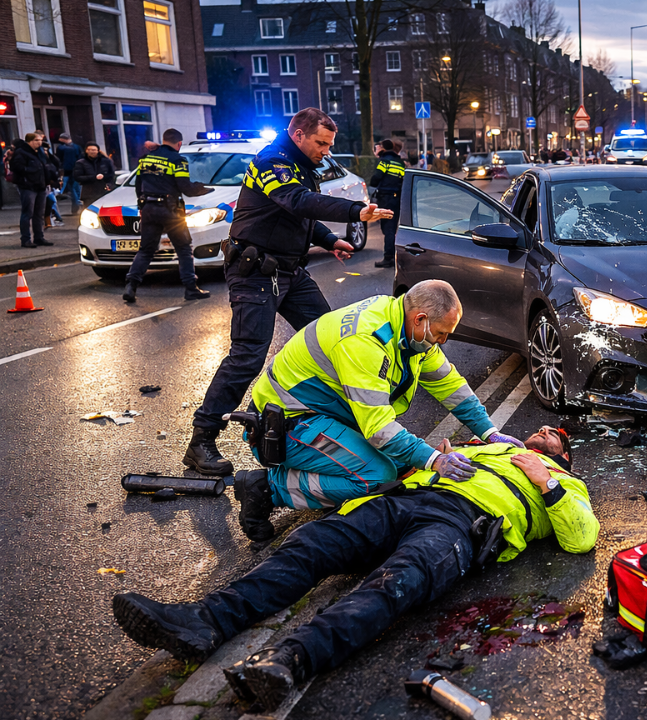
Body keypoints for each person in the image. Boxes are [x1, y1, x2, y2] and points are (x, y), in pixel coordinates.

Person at [113, 426, 596, 711]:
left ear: (564, 455)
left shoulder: (565, 482)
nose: (543, 433)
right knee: (312, 543)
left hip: (461, 526)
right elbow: (413, 467)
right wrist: (436, 460)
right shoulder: (484, 448)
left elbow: (580, 538)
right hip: (407, 502)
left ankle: (289, 659)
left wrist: (546, 484)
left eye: (554, 435)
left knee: (395, 584)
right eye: (541, 429)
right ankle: (206, 621)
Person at [184, 107, 394, 477]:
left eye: (330, 144)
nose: (327, 151)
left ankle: (344, 419)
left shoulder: (300, 165)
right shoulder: (272, 161)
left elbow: (300, 216)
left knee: (331, 337)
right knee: (247, 355)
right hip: (255, 271)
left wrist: (330, 240)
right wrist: (355, 212)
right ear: (298, 134)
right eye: (321, 143)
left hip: (288, 271)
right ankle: (201, 441)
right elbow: (296, 202)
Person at [232, 279, 527, 541]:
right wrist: (435, 460)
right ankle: (267, 488)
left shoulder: (408, 330)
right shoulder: (366, 341)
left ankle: (316, 478)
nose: (442, 342)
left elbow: (450, 385)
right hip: (286, 425)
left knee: (404, 464)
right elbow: (379, 430)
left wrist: (490, 432)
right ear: (421, 319)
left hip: (319, 415)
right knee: (378, 474)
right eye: (440, 333)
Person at [123, 128, 216, 303]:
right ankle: (191, 288)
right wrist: (204, 188)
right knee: (183, 248)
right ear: (179, 144)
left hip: (149, 209)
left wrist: (142, 206)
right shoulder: (177, 160)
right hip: (170, 211)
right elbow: (185, 187)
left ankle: (131, 285)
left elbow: (139, 185)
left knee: (145, 250)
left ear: (164, 140)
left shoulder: (146, 158)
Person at [10, 132, 56, 248]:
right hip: (28, 186)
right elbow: (16, 167)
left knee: (39, 213)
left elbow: (48, 165)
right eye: (36, 140)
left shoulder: (40, 152)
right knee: (28, 213)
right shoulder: (21, 152)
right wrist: (30, 170)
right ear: (29, 141)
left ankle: (39, 237)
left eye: (40, 140)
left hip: (40, 186)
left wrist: (49, 179)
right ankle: (25, 239)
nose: (39, 142)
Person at [368, 139, 405, 269]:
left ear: (383, 148)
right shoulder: (400, 162)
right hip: (396, 198)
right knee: (392, 227)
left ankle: (388, 258)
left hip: (386, 198)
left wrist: (372, 183)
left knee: (387, 228)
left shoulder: (385, 161)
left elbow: (376, 177)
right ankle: (393, 255)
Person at [73, 142, 117, 206]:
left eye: (93, 150)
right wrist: (94, 177)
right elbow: (77, 177)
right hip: (88, 193)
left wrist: (108, 182)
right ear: (86, 151)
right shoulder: (80, 163)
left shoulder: (106, 161)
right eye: (89, 150)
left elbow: (112, 174)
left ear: (98, 151)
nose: (91, 152)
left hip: (104, 192)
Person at [54, 133, 82, 214]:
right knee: (76, 187)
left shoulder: (61, 148)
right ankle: (77, 201)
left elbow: (58, 159)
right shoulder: (76, 147)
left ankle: (75, 203)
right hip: (77, 168)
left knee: (70, 187)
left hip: (66, 169)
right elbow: (80, 157)